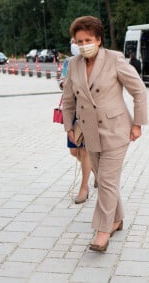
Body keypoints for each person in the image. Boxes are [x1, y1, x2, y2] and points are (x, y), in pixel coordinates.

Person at [62, 16, 147, 253]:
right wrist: (69, 126)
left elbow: (139, 91)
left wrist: (138, 123)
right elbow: (68, 99)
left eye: (88, 39)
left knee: (106, 182)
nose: (83, 44)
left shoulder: (115, 60)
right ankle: (117, 219)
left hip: (116, 130)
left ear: (98, 40)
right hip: (89, 132)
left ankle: (102, 231)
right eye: (79, 41)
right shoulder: (74, 63)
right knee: (106, 179)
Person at [59, 40, 93, 204]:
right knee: (75, 151)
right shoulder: (69, 62)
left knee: (84, 150)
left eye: (78, 41)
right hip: (73, 111)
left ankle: (84, 188)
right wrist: (63, 83)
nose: (76, 44)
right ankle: (93, 169)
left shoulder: (93, 61)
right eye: (73, 41)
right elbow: (63, 83)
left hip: (89, 111)